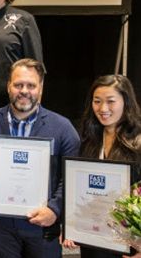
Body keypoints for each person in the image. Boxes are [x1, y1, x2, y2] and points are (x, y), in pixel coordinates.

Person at [0, 58, 80, 258]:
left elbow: (71, 177)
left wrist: (55, 209)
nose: (24, 90)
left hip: (43, 228)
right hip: (1, 225)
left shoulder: (63, 128)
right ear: (8, 87)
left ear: (41, 89)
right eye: (18, 85)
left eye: (31, 85)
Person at [63, 74, 141, 258]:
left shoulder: (138, 143)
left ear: (126, 102)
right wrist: (70, 227)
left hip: (128, 242)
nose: (103, 108)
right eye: (97, 101)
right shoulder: (89, 140)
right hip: (94, 237)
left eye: (110, 101)